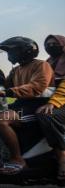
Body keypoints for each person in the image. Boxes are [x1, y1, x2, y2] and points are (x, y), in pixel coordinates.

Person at [0, 36, 54, 175]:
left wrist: (7, 91)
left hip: (37, 104)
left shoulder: (41, 65)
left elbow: (37, 87)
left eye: (12, 51)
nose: (9, 55)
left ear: (25, 51)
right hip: (21, 104)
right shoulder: (16, 70)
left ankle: (18, 160)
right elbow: (5, 85)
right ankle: (1, 154)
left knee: (1, 120)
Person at [36, 34, 65, 180]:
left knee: (46, 115)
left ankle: (62, 157)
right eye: (48, 44)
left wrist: (52, 103)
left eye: (54, 43)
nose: (50, 46)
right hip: (50, 99)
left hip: (60, 101)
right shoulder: (48, 62)